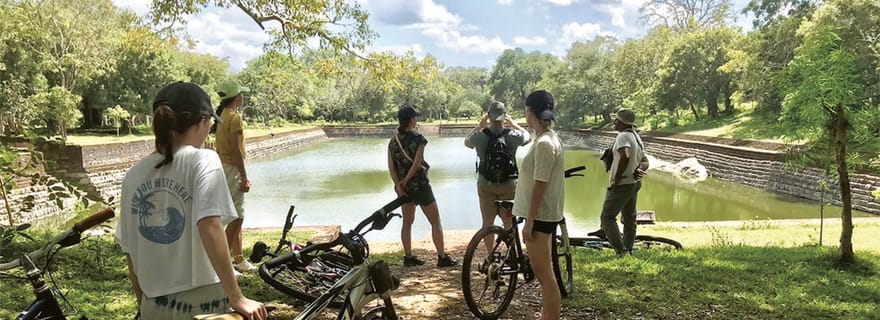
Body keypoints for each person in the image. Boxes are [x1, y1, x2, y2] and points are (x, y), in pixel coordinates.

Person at [116, 82, 267, 320]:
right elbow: (210, 225)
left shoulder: (133, 175)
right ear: (201, 122)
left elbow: (130, 251)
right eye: (209, 125)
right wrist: (236, 296)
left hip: (153, 304)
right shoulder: (203, 160)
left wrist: (142, 305)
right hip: (203, 302)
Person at [512, 90, 565, 320]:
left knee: (545, 277)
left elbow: (540, 184)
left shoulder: (545, 143)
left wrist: (530, 221)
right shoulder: (546, 138)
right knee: (546, 275)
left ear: (530, 112)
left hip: (541, 216)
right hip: (541, 214)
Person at [387, 106, 458, 268]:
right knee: (435, 220)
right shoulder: (418, 139)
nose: (416, 120)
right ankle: (441, 256)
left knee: (407, 222)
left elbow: (391, 167)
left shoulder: (393, 141)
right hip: (420, 185)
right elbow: (417, 163)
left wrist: (398, 184)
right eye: (415, 117)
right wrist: (405, 181)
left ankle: (408, 256)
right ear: (411, 120)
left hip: (404, 190)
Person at [464, 101, 530, 251]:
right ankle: (511, 256)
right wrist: (514, 124)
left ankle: (491, 258)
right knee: (508, 222)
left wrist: (480, 125)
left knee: (487, 223)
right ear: (504, 116)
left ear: (489, 116)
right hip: (509, 185)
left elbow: (466, 142)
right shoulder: (513, 135)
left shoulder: (480, 135)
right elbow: (528, 137)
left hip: (485, 184)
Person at [213, 79, 255, 272]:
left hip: (223, 167)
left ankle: (238, 259)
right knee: (236, 217)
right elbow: (236, 150)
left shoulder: (222, 115)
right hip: (232, 168)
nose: (242, 97)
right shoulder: (234, 117)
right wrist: (244, 176)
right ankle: (223, 265)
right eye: (241, 95)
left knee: (234, 214)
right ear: (237, 97)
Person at [600, 108, 649, 255]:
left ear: (622, 122)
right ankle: (628, 248)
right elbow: (645, 160)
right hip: (634, 183)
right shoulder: (636, 136)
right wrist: (639, 168)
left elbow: (625, 155)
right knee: (629, 218)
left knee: (607, 218)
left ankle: (621, 251)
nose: (614, 122)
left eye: (616, 120)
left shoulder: (623, 136)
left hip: (623, 184)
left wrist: (617, 177)